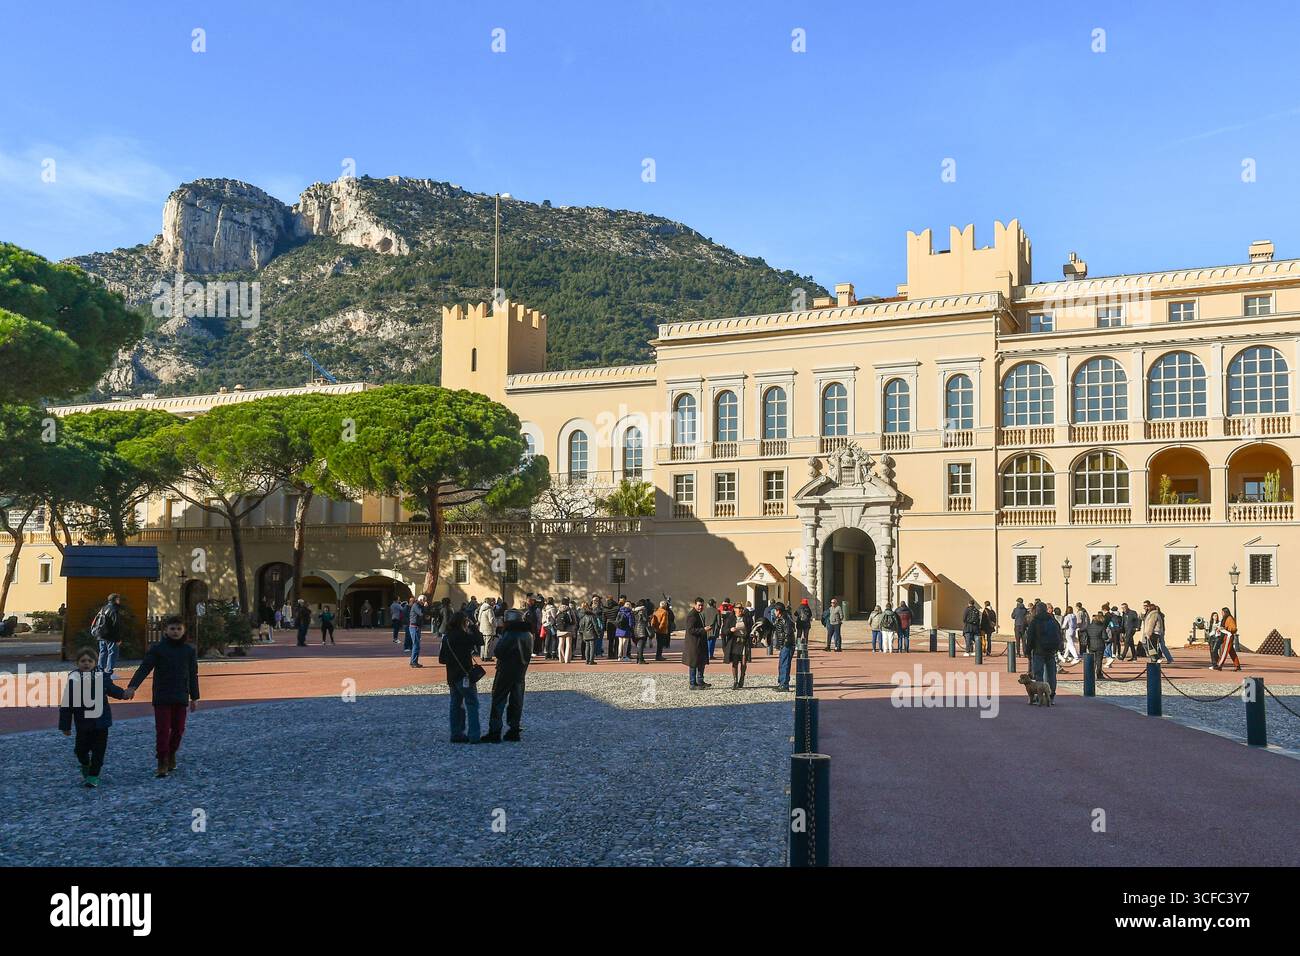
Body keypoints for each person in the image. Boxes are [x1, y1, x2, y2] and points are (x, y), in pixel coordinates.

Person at [124, 614, 200, 778]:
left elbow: (193, 674)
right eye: (172, 628)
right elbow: (145, 668)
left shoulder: (189, 651)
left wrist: (195, 697)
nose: (175, 632)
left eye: (179, 629)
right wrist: (132, 686)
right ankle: (162, 761)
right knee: (163, 730)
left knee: (178, 730)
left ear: (184, 630)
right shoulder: (157, 649)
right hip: (162, 695)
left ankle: (172, 753)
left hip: (181, 695)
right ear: (165, 630)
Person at [59, 648, 130, 788]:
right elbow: (67, 705)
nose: (86, 664)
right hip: (83, 723)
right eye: (83, 661)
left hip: (101, 722)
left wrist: (124, 694)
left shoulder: (102, 677)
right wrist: (65, 726)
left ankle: (93, 775)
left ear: (95, 663)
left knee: (98, 751)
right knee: (80, 750)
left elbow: (112, 689)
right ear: (77, 663)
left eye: (90, 661)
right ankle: (85, 764)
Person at [484, 609, 532, 743]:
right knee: (516, 702)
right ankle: (514, 729)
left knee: (498, 700)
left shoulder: (510, 634)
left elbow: (498, 652)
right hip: (520, 671)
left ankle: (494, 731)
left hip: (505, 671)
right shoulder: (528, 634)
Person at [439, 612, 482, 743]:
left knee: (455, 704)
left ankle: (456, 733)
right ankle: (474, 735)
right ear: (464, 623)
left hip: (452, 675)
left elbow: (442, 659)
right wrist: (474, 626)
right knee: (472, 703)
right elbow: (480, 641)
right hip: (465, 675)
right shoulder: (465, 636)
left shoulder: (446, 638)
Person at [1024, 601, 1062, 700]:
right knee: (1051, 674)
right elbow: (1059, 634)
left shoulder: (1035, 621)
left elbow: (1030, 637)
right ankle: (1051, 694)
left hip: (1038, 650)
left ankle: (1039, 695)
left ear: (1037, 610)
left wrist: (1027, 651)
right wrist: (1059, 647)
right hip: (1051, 651)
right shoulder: (1052, 620)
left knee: (1039, 674)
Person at [90, 593, 124, 678]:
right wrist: (118, 639)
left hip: (101, 635)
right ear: (115, 600)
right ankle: (109, 673)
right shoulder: (114, 610)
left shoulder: (103, 608)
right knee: (112, 653)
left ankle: (100, 671)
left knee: (102, 652)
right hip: (110, 636)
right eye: (118, 599)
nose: (119, 600)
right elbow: (116, 625)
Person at [683, 597, 711, 689]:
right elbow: (691, 630)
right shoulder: (692, 615)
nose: (700, 607)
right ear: (695, 605)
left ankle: (700, 681)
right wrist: (703, 629)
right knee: (693, 664)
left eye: (702, 605)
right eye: (699, 605)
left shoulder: (698, 614)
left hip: (699, 643)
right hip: (694, 644)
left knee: (701, 663)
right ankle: (692, 683)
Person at [722, 603, 749, 688]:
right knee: (735, 662)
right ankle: (735, 681)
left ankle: (742, 678)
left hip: (743, 642)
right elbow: (724, 631)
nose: (740, 610)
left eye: (742, 608)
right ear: (734, 609)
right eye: (739, 608)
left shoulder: (746, 618)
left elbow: (751, 628)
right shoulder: (730, 618)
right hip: (734, 642)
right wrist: (730, 629)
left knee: (744, 662)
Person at [773, 603, 796, 691]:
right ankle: (781, 682)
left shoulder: (785, 619)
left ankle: (784, 684)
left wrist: (784, 644)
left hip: (787, 645)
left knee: (784, 665)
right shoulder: (780, 619)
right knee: (782, 664)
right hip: (784, 645)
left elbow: (788, 633)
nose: (774, 612)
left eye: (775, 610)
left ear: (778, 611)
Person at [1211, 607, 1241, 671]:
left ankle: (1219, 665)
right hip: (1226, 636)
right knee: (1232, 652)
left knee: (1224, 651)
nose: (1222, 614)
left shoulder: (1229, 619)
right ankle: (1237, 666)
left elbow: (1234, 628)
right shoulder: (1226, 618)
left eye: (1222, 612)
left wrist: (1224, 629)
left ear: (1225, 612)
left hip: (1228, 636)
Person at [1083, 611, 1108, 681]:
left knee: (1092, 661)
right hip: (1100, 645)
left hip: (1091, 645)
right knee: (1099, 660)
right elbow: (1105, 637)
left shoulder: (1089, 627)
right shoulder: (1101, 627)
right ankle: (1099, 674)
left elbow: (1086, 636)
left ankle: (1091, 674)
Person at [407, 594, 429, 668]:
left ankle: (413, 661)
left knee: (416, 645)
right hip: (414, 627)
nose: (425, 602)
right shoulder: (416, 605)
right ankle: (413, 662)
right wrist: (425, 607)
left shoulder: (419, 606)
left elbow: (422, 614)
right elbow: (421, 613)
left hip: (416, 627)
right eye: (424, 600)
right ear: (421, 600)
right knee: (416, 645)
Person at [578, 600, 602, 665]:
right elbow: (595, 626)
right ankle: (591, 660)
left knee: (587, 647)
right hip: (592, 634)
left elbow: (581, 626)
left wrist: (582, 634)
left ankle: (587, 660)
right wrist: (598, 633)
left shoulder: (584, 617)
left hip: (585, 634)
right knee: (592, 647)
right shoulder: (592, 617)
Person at [556, 598, 576, 664]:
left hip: (560, 629)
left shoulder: (558, 609)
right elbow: (574, 620)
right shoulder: (569, 610)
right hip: (568, 629)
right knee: (568, 644)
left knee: (560, 644)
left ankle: (561, 659)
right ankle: (567, 659)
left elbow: (555, 618)